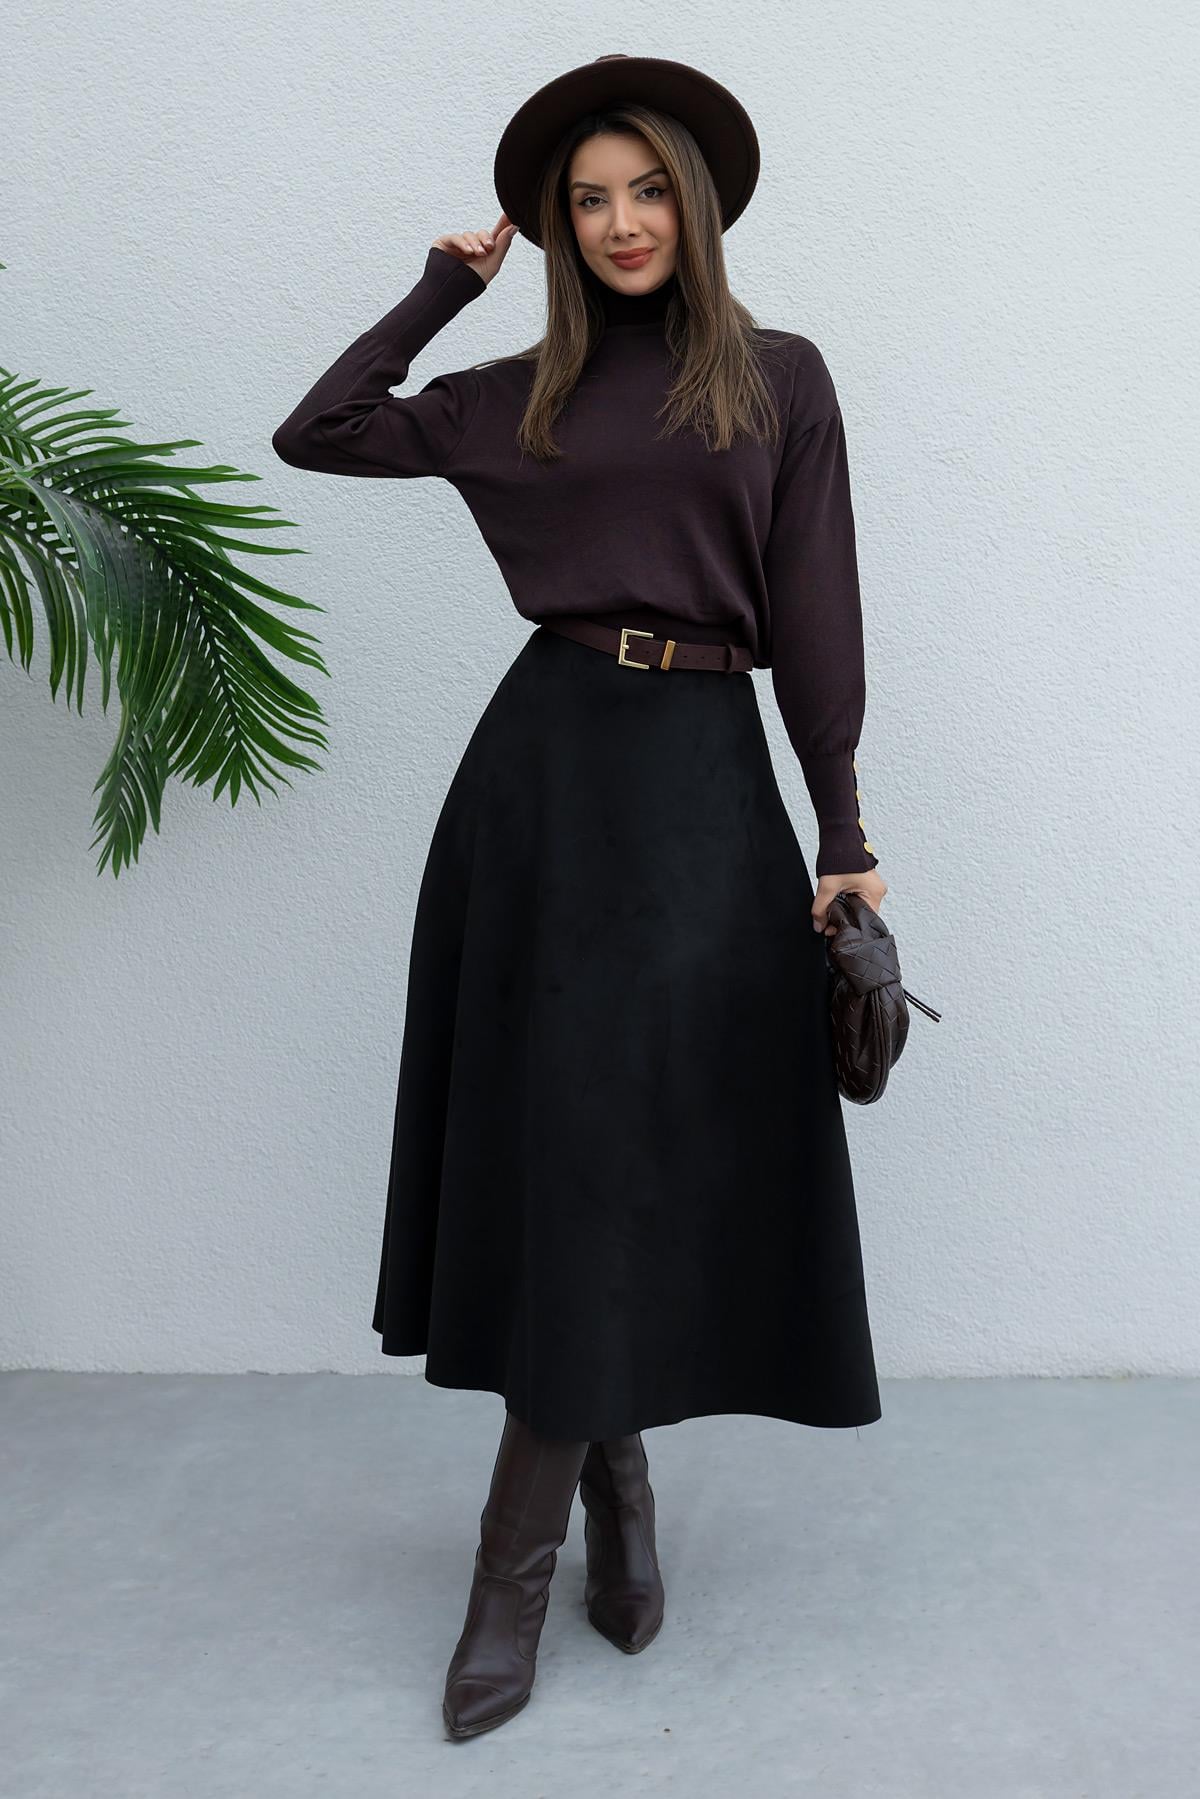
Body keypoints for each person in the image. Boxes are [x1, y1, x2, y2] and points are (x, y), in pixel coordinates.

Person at [272, 53, 887, 1742]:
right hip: (543, 789)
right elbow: (319, 432)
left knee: (630, 1148)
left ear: (696, 202)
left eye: (646, 190)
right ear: (556, 224)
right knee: (576, 1149)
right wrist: (438, 288)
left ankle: (586, 1507)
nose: (620, 222)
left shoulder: (778, 378)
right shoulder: (515, 392)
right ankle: (538, 1557)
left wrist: (841, 831)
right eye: (587, 200)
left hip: (702, 790)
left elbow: (817, 614)